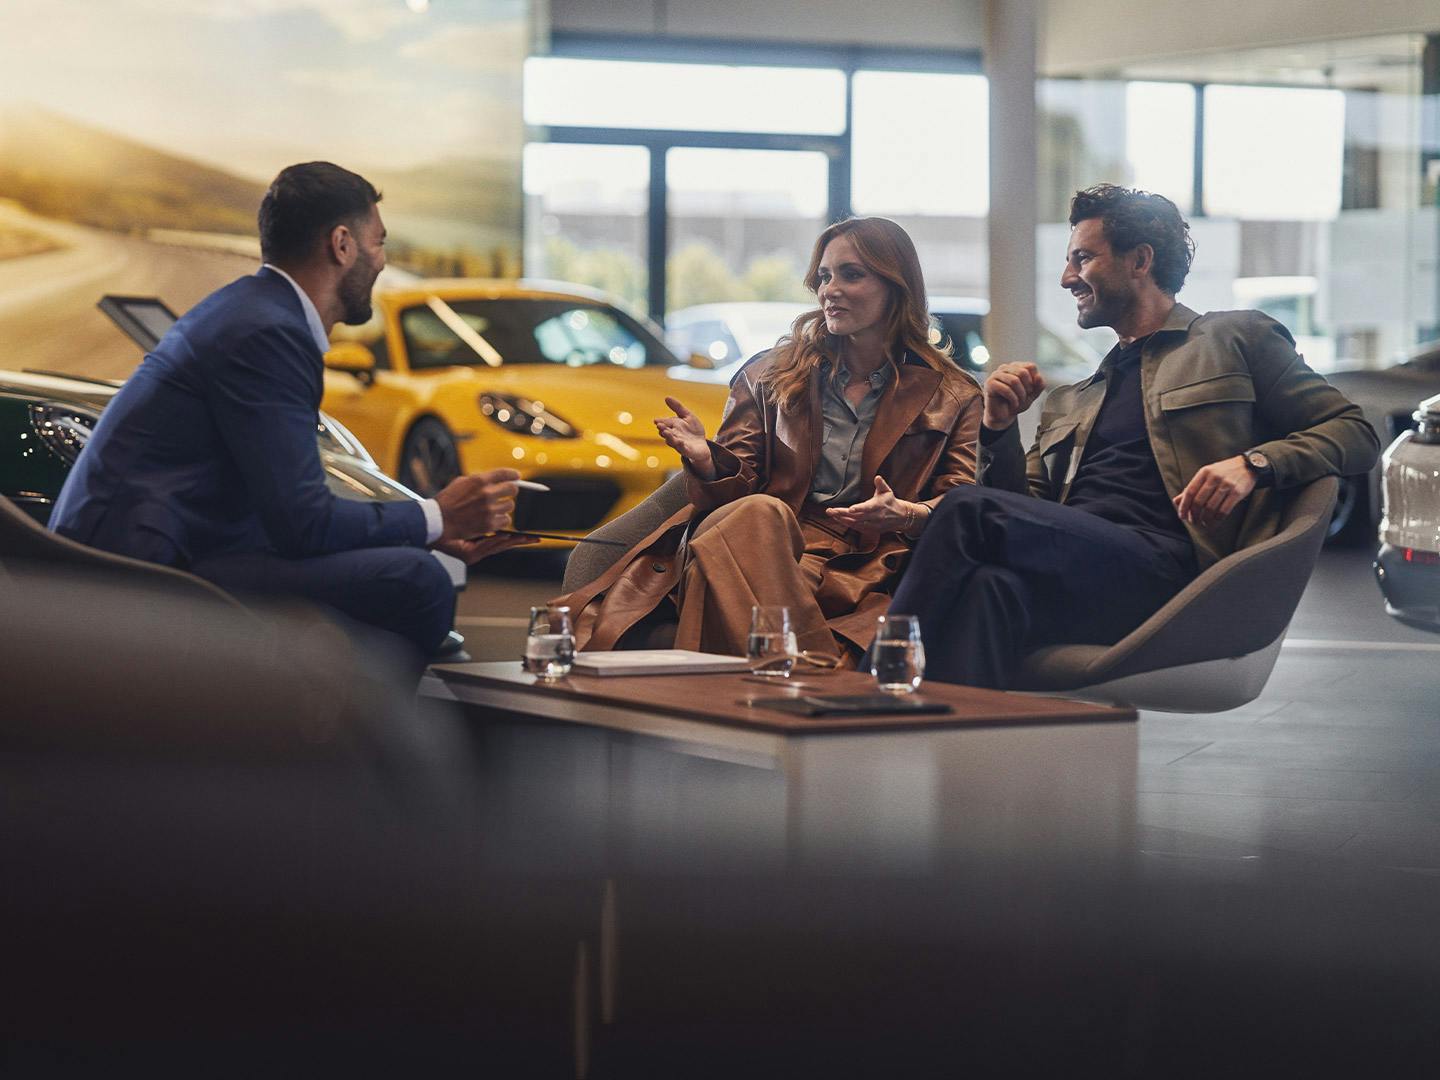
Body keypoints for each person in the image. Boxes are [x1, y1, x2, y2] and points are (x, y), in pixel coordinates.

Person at [889, 183, 1381, 689]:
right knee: (987, 587)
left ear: (1140, 260)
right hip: (1079, 572)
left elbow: (1355, 432)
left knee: (965, 507)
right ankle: (949, 734)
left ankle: (870, 684)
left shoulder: (1235, 338)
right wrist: (997, 427)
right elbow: (1020, 511)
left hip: (1171, 575)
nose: (1066, 278)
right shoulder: (1072, 399)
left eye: (1082, 258)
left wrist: (1253, 464)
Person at [49, 161, 531, 657]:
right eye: (379, 243)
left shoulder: (253, 310)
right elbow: (304, 524)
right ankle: (350, 712)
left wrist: (422, 530)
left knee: (406, 563)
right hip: (147, 566)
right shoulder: (269, 333)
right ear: (342, 245)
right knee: (418, 581)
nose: (382, 262)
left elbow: (284, 509)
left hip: (173, 543)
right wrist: (437, 517)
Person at [557, 216, 982, 664]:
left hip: (865, 567)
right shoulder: (769, 374)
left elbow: (963, 504)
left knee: (719, 572)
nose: (830, 290)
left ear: (896, 285)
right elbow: (734, 496)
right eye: (824, 276)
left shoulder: (953, 395)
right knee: (760, 513)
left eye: (851, 274)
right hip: (761, 538)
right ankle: (813, 672)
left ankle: (789, 671)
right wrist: (708, 461)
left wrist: (907, 514)